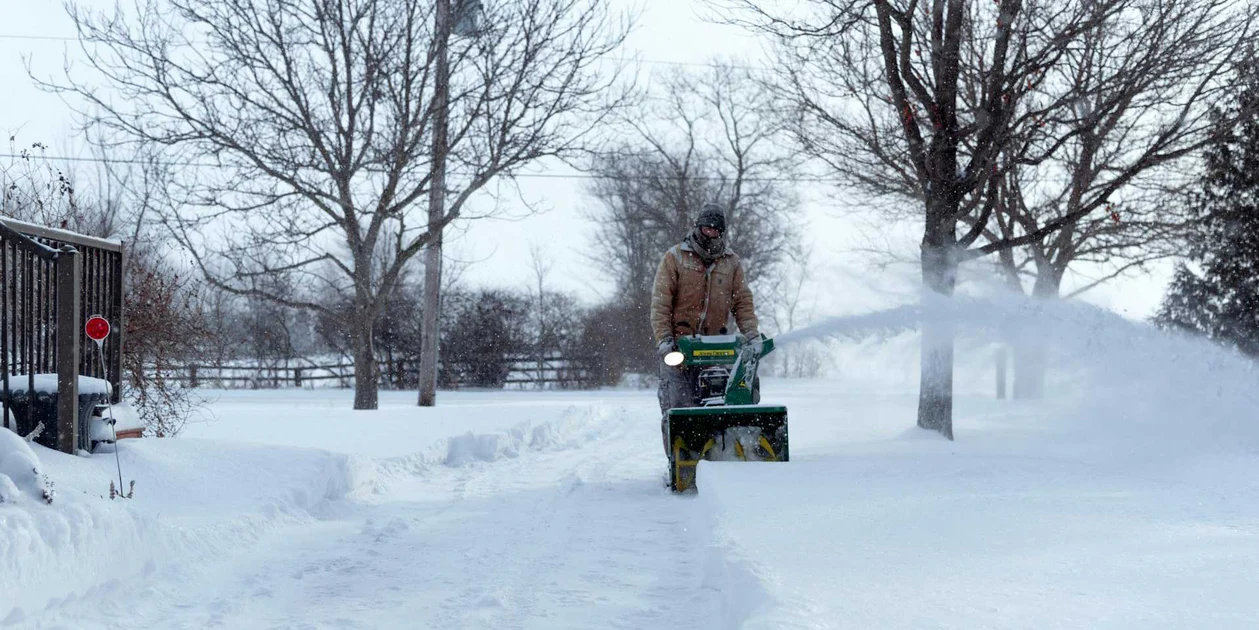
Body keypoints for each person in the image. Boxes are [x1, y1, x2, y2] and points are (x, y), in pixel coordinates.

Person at [649, 202, 760, 455]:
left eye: (715, 229)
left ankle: (737, 447)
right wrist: (665, 340)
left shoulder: (731, 263)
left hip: (717, 346)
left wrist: (752, 336)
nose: (710, 232)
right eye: (706, 227)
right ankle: (681, 458)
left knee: (744, 387)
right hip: (680, 346)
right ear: (698, 226)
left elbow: (742, 301)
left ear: (722, 232)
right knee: (678, 405)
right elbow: (661, 303)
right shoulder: (675, 257)